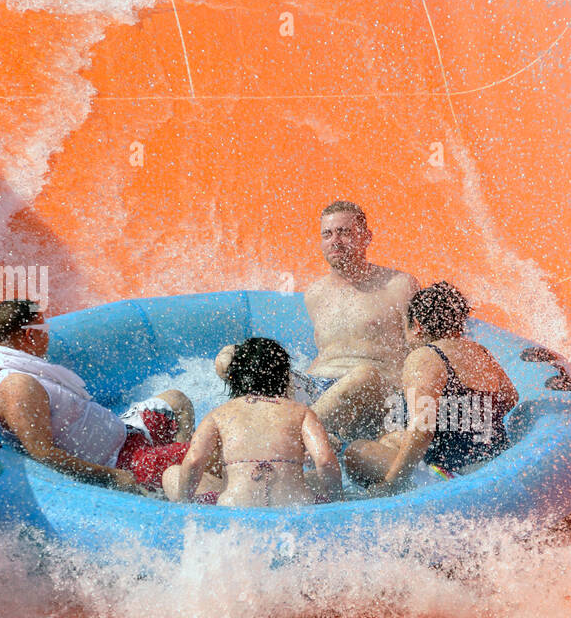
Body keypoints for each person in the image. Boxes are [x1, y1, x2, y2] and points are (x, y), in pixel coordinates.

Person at [215, 201, 417, 440]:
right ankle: (250, 436)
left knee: (364, 375)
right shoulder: (315, 294)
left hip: (373, 391)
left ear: (366, 237)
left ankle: (285, 439)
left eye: (344, 232)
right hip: (319, 387)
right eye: (327, 234)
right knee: (231, 357)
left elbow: (419, 350)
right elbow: (326, 352)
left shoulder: (400, 285)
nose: (335, 241)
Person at [0, 299, 195, 491]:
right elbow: (42, 452)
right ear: (30, 334)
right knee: (209, 451)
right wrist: (113, 477)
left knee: (177, 401)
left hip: (126, 432)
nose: (47, 335)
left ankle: (176, 471)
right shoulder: (18, 386)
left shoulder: (4, 362)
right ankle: (176, 478)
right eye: (44, 327)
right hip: (122, 461)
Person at [345, 282, 519, 488]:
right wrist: (465, 419)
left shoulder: (425, 356)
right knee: (391, 439)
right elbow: (510, 397)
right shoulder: (478, 352)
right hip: (493, 458)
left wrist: (391, 484)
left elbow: (422, 427)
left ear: (417, 325)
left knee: (356, 452)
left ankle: (435, 480)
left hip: (457, 473)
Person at [167, 337, 341, 507]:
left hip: (235, 509)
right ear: (284, 376)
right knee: (312, 478)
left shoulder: (219, 415)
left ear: (235, 378)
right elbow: (325, 461)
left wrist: (185, 506)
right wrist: (336, 503)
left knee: (171, 474)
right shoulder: (301, 412)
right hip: (294, 506)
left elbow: (194, 461)